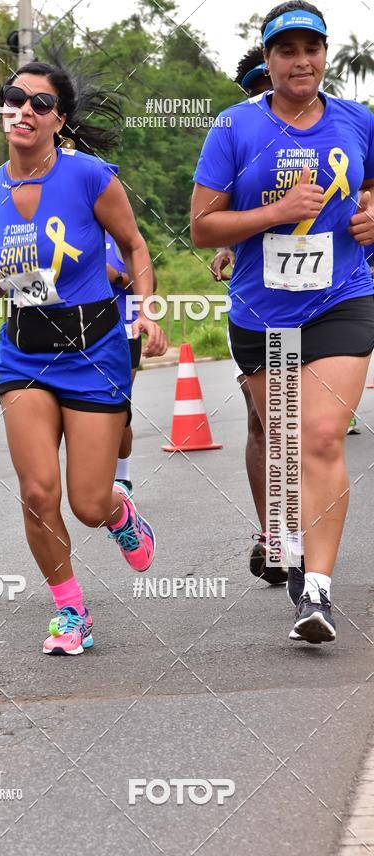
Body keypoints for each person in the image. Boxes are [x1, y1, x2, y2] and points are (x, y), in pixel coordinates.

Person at [0, 61, 167, 656]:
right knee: (38, 492)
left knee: (88, 503)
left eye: (40, 103)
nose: (24, 109)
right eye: (14, 97)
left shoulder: (90, 177)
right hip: (24, 356)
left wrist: (146, 311)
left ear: (59, 120)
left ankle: (120, 514)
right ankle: (71, 611)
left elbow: (134, 246)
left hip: (94, 352)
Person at [191, 1, 374, 644]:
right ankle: (285, 541)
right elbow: (202, 226)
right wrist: (274, 212)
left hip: (342, 298)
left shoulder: (359, 120)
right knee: (285, 443)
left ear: (324, 55)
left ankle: (315, 590)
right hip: (262, 312)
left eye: (311, 49)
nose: (301, 61)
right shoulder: (235, 127)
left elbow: (372, 188)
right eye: (287, 51)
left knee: (321, 437)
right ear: (267, 61)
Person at [209, 48, 287, 586]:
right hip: (258, 300)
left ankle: (306, 528)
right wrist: (226, 248)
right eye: (254, 87)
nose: (263, 93)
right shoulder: (236, 135)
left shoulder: (330, 128)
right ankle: (273, 535)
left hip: (324, 302)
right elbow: (217, 212)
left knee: (305, 426)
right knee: (262, 420)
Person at [105, 233, 158, 495]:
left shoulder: (118, 234)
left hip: (124, 332)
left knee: (116, 407)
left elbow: (151, 284)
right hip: (74, 333)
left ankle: (122, 478)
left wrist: (116, 276)